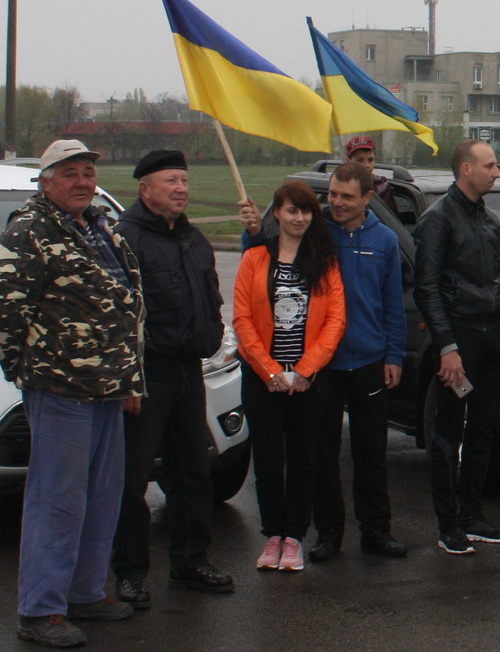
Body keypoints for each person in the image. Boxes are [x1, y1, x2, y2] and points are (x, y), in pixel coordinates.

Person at [0, 139, 144, 648]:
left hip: (107, 389)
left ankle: (86, 592)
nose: (81, 181)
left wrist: (131, 378)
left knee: (101, 495)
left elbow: (128, 309)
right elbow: (1, 313)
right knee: (57, 500)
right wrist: (28, 369)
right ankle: (40, 609)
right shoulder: (28, 232)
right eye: (69, 172)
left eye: (88, 171)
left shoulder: (100, 228)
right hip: (60, 390)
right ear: (46, 180)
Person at [245, 163, 411, 559]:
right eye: (333, 194)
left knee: (371, 452)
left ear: (367, 198)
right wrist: (251, 231)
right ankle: (328, 532)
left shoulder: (385, 240)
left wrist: (394, 354)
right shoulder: (318, 237)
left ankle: (376, 529)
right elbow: (265, 260)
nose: (335, 202)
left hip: (369, 359)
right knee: (321, 453)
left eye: (346, 196)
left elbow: (393, 303)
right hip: (322, 365)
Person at [111, 149, 234, 607]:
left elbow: (211, 297)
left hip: (189, 372)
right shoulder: (125, 240)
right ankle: (129, 573)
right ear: (145, 189)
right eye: (170, 181)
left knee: (192, 474)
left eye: (184, 180)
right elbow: (118, 317)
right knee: (131, 479)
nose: (181, 188)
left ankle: (190, 562)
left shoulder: (193, 239)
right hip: (146, 375)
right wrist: (126, 378)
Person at [232, 181, 346, 571]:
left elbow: (335, 321)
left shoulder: (324, 261)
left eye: (306, 211)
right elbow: (242, 319)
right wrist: (268, 370)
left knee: (302, 460)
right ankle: (273, 536)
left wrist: (305, 370)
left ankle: (295, 536)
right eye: (291, 211)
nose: (299, 218)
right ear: (276, 213)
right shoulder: (255, 259)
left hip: (306, 383)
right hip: (263, 381)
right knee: (266, 461)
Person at [414, 139, 500, 554]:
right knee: (448, 430)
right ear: (465, 170)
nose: (496, 172)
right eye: (490, 166)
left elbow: (499, 277)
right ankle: (449, 523)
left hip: (493, 337)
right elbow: (428, 288)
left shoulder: (489, 219)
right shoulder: (437, 220)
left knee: (484, 429)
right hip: (460, 338)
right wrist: (447, 346)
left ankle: (473, 515)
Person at [344, 134, 400, 209]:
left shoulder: (381, 187)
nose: (366, 165)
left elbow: (389, 218)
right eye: (359, 160)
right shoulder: (337, 184)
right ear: (348, 161)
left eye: (370, 160)